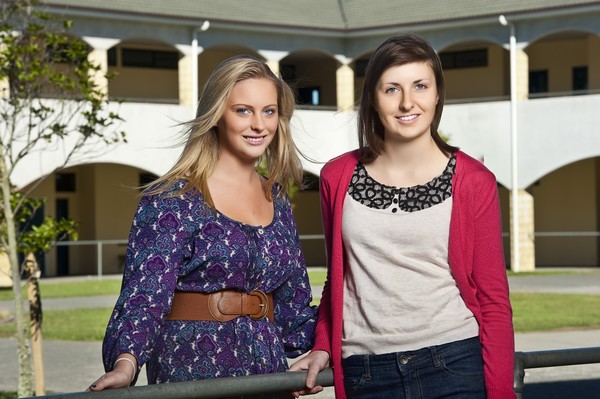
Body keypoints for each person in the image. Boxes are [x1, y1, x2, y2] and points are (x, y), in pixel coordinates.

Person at [289, 34, 515, 399]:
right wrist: (324, 345)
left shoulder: (474, 181)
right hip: (365, 370)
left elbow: (493, 300)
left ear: (438, 93)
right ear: (373, 100)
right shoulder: (336, 176)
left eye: (420, 86)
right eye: (391, 89)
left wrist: (502, 394)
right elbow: (339, 280)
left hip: (453, 361)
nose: (407, 102)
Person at [88, 55, 318, 395]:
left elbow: (295, 312)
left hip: (267, 373)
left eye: (268, 111)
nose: (259, 124)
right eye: (243, 110)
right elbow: (144, 297)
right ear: (216, 116)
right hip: (191, 370)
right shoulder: (172, 199)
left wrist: (327, 344)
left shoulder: (279, 200)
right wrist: (126, 363)